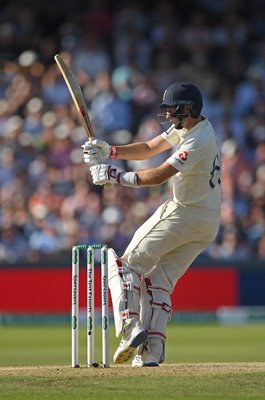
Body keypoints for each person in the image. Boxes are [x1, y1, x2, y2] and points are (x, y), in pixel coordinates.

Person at [82, 82, 222, 367]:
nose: (168, 114)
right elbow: (149, 147)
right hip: (207, 222)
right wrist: (111, 152)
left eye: (172, 109)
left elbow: (158, 176)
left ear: (187, 109)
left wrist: (114, 176)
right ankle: (152, 352)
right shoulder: (191, 128)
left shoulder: (198, 140)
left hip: (185, 212)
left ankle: (130, 327)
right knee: (158, 281)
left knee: (124, 264)